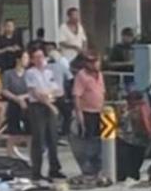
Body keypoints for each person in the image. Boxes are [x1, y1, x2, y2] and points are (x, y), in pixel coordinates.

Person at [25, 45, 66, 180]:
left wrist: (48, 95)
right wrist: (49, 103)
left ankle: (54, 168)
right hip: (37, 107)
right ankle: (36, 171)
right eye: (36, 57)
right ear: (32, 59)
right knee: (39, 138)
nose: (39, 60)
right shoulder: (30, 73)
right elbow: (35, 93)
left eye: (41, 57)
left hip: (49, 103)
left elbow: (57, 90)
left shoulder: (49, 72)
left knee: (52, 138)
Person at [71, 50, 105, 182]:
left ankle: (99, 168)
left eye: (97, 61)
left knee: (100, 140)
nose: (96, 64)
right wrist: (79, 115)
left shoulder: (100, 75)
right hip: (87, 112)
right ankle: (89, 169)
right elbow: (77, 96)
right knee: (89, 141)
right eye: (94, 62)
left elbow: (101, 92)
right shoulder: (82, 76)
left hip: (99, 111)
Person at [0, 49, 31, 160]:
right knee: (12, 132)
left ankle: (31, 155)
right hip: (13, 104)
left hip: (27, 104)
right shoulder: (8, 74)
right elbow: (4, 90)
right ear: (18, 59)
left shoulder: (29, 74)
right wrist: (16, 99)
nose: (27, 60)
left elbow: (33, 89)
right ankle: (10, 155)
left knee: (29, 132)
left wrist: (24, 97)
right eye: (25, 57)